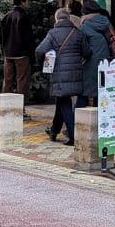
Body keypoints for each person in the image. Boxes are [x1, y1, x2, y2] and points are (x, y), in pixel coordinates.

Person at [36, 8, 90, 146]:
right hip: (76, 74)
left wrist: (41, 64)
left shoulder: (53, 34)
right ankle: (54, 130)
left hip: (60, 74)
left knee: (64, 102)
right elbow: (87, 52)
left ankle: (73, 136)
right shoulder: (78, 33)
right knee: (61, 102)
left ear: (57, 19)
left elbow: (40, 50)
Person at [0, 0, 35, 113]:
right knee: (22, 82)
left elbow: (2, 36)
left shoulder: (7, 15)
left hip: (8, 53)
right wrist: (30, 54)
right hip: (21, 54)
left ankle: (5, 107)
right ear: (22, 1)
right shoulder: (24, 16)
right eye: (28, 0)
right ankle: (20, 110)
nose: (29, 2)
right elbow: (28, 38)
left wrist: (4, 51)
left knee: (7, 81)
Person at [79, 0, 112, 109]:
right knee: (101, 91)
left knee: (83, 93)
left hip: (90, 62)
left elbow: (83, 48)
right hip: (104, 60)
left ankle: (79, 121)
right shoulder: (106, 22)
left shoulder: (84, 26)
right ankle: (101, 120)